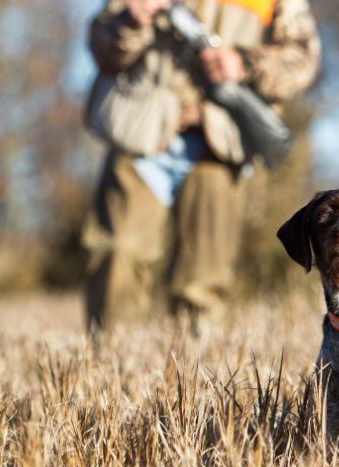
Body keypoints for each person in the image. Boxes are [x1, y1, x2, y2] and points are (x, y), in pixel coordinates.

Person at [82, 0, 320, 331]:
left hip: (222, 140)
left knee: (203, 283)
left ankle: (196, 374)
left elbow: (302, 60)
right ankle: (106, 366)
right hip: (141, 130)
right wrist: (131, 21)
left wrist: (244, 64)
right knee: (117, 257)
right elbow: (101, 49)